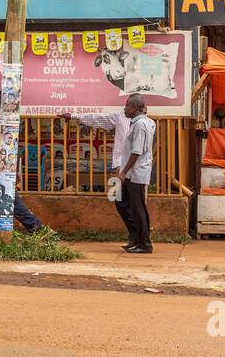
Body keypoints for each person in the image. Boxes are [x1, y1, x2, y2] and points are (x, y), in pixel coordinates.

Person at [0, 91, 43, 232]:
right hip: (9, 165)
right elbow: (16, 145)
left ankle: (32, 224)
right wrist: (17, 169)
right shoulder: (13, 119)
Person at [116, 93, 156, 254]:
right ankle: (135, 237)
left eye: (126, 106)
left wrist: (123, 172)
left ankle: (144, 243)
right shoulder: (143, 122)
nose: (124, 109)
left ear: (133, 108)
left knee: (138, 208)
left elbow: (136, 151)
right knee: (119, 200)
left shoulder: (141, 125)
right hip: (131, 171)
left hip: (135, 173)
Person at [63, 107, 131, 186]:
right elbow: (97, 117)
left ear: (134, 107)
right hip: (121, 164)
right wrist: (73, 116)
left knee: (135, 194)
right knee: (121, 195)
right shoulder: (120, 116)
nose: (125, 108)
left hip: (137, 168)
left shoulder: (145, 123)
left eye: (128, 105)